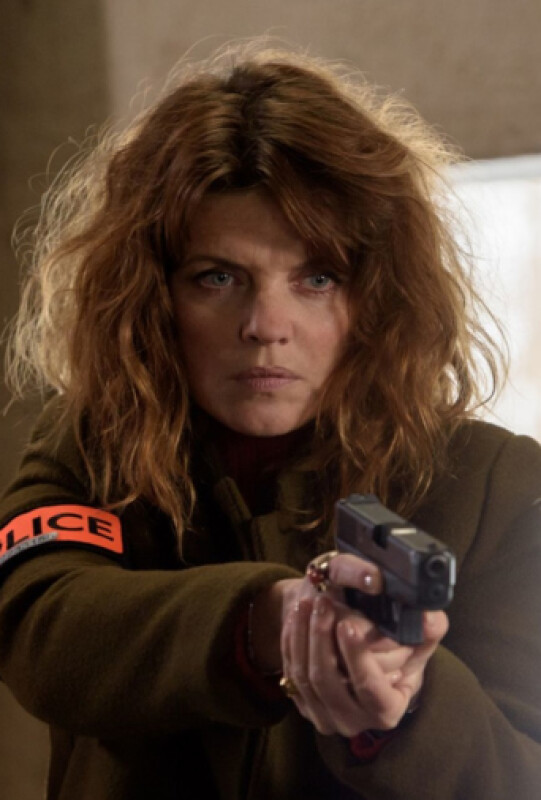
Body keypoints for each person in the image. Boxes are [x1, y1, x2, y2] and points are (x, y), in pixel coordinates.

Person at [1, 42, 540, 800]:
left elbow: (519, 774)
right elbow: (41, 625)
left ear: (376, 297)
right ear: (155, 296)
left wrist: (405, 706)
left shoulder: (496, 484)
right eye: (218, 277)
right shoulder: (95, 442)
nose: (265, 325)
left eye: (316, 279)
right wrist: (266, 622)